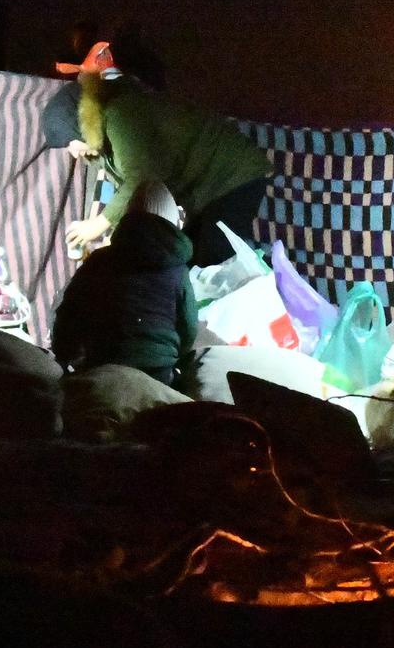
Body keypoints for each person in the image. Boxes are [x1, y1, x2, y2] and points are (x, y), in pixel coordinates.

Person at [58, 41, 271, 267]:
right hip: (206, 189)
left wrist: (99, 224)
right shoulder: (105, 147)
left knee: (217, 259)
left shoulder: (121, 114)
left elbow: (144, 178)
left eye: (67, 143)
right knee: (187, 259)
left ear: (79, 126)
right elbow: (136, 196)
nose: (72, 153)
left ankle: (278, 295)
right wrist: (115, 239)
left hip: (231, 174)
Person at [50, 179, 199, 388]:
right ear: (174, 223)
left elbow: (68, 315)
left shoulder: (99, 261)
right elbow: (189, 328)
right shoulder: (177, 271)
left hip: (103, 368)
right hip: (158, 376)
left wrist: (64, 358)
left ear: (127, 219)